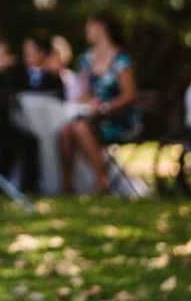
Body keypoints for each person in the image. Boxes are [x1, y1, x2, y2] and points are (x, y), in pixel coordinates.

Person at [58, 11, 140, 195]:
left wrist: (106, 106)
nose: (86, 31)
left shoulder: (120, 60)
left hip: (118, 118)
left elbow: (130, 95)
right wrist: (89, 104)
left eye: (89, 26)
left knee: (79, 128)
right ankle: (66, 184)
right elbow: (84, 94)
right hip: (93, 117)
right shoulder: (85, 60)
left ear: (101, 26)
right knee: (65, 131)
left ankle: (101, 181)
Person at [0, 36, 41, 193]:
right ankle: (26, 186)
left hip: (4, 126)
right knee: (20, 143)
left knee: (11, 149)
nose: (4, 59)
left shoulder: (9, 75)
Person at [21, 29, 65, 97]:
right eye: (25, 48)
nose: (26, 52)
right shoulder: (17, 75)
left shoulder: (53, 79)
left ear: (42, 52)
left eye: (30, 48)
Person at [46, 35, 82, 102]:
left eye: (55, 54)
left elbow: (74, 100)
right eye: (48, 54)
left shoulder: (70, 78)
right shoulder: (42, 77)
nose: (51, 57)